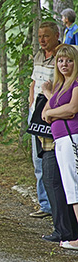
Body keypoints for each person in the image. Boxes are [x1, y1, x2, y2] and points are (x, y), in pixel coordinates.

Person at [42, 44, 78, 249]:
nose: (64, 64)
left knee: (74, 186)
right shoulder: (59, 86)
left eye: (69, 60)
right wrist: (54, 109)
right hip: (60, 139)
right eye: (61, 60)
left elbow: (72, 109)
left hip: (72, 137)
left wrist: (54, 112)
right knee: (69, 186)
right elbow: (45, 113)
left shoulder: (76, 84)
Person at [28, 21, 59, 219]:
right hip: (35, 112)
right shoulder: (39, 55)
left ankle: (58, 204)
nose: (42, 40)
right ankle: (45, 204)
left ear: (56, 35)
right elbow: (33, 81)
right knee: (37, 159)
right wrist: (31, 101)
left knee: (52, 160)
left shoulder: (63, 57)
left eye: (46, 36)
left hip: (53, 113)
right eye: (40, 36)